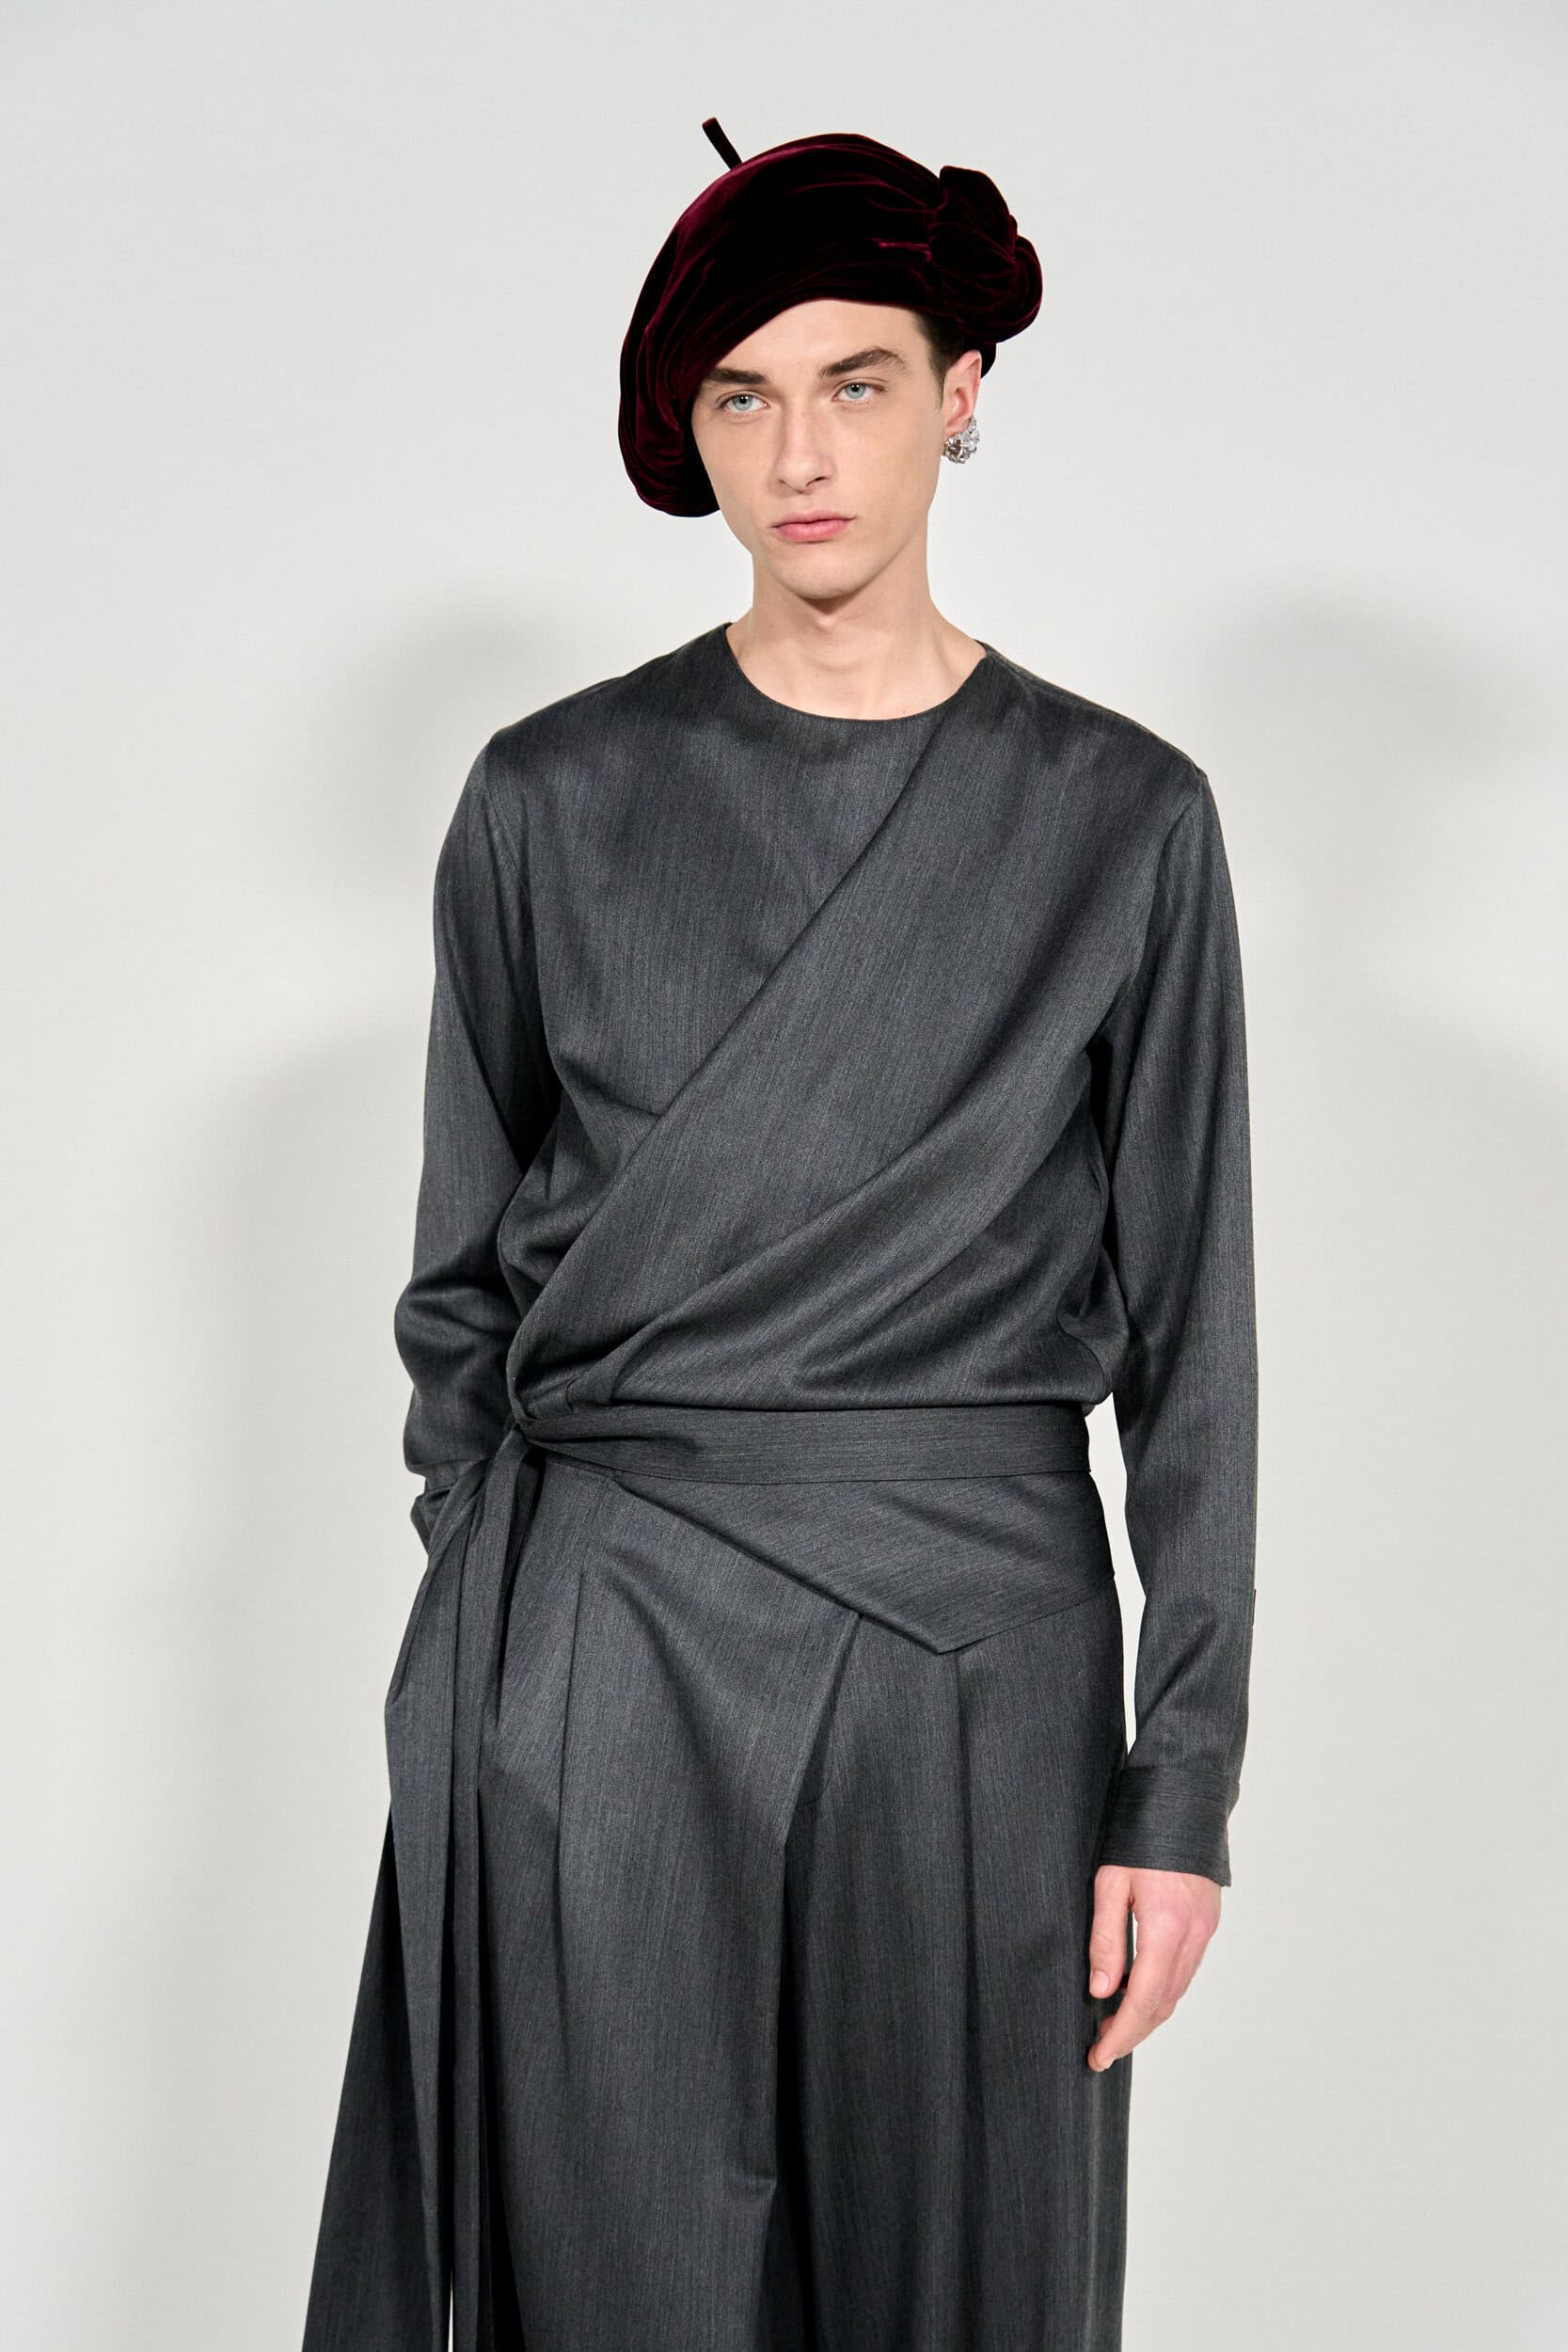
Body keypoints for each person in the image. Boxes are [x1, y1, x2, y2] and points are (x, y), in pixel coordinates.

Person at [302, 119, 1259, 2352]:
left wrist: (1183, 1781)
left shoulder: (1122, 820)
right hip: (605, 1651)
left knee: (965, 2283)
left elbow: (1195, 1342)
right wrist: (508, 1634)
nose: (799, 453)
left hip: (977, 1662)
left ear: (962, 393)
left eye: (855, 382)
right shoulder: (550, 797)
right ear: (690, 426)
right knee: (605, 2279)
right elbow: (460, 1282)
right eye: (742, 395)